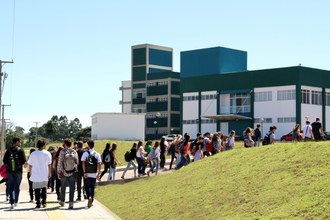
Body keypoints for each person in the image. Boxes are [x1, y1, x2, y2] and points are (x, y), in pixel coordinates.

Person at [3, 137, 26, 210]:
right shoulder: (20, 150)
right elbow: (23, 161)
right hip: (18, 171)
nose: (20, 143)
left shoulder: (8, 151)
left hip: (9, 172)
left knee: (10, 186)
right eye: (20, 142)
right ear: (17, 142)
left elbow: (4, 161)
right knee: (17, 186)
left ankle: (11, 202)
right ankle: (16, 201)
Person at [27, 140, 52, 209]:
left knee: (36, 189)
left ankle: (38, 203)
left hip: (35, 174)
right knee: (44, 188)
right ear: (44, 145)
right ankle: (44, 202)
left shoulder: (33, 153)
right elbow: (49, 164)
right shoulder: (47, 153)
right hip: (44, 173)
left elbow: (30, 164)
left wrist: (30, 172)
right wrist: (49, 172)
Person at [57, 138, 78, 209]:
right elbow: (76, 162)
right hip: (72, 172)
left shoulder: (62, 152)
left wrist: (58, 171)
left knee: (63, 187)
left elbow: (59, 162)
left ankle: (62, 201)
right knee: (72, 188)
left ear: (65, 144)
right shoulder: (74, 151)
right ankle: (71, 203)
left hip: (64, 172)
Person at [81, 140, 102, 208]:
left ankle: (89, 196)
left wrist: (84, 172)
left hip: (87, 173)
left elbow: (83, 163)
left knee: (87, 187)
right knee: (93, 187)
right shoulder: (97, 154)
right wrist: (98, 173)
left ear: (88, 145)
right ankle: (91, 200)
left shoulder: (85, 153)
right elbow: (99, 164)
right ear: (93, 145)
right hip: (94, 174)